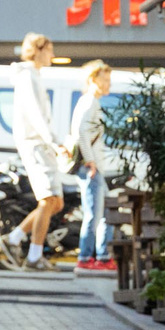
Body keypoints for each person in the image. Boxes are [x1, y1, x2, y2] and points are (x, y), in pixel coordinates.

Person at [7, 32, 66, 270]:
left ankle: (14, 238)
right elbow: (36, 114)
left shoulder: (33, 76)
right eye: (49, 49)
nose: (52, 55)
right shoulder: (28, 77)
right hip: (36, 144)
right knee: (48, 200)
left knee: (57, 202)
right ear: (39, 50)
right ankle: (33, 256)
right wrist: (54, 142)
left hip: (39, 144)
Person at [71, 59, 115, 272]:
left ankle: (103, 256)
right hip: (92, 168)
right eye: (105, 80)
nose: (109, 84)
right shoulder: (90, 102)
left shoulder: (88, 102)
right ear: (93, 80)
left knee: (105, 213)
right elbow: (81, 132)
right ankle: (87, 256)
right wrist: (90, 161)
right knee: (94, 215)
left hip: (93, 167)